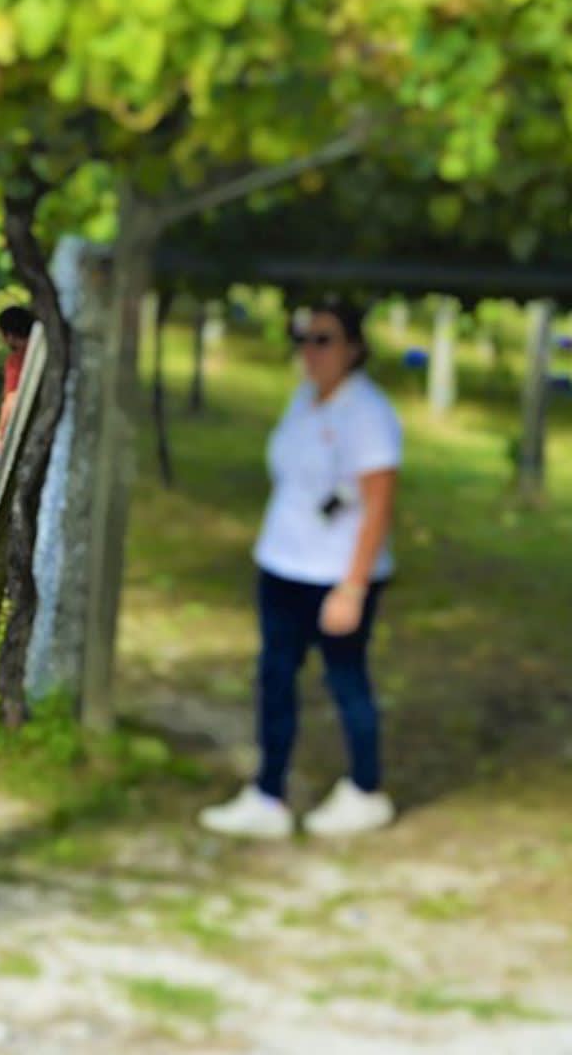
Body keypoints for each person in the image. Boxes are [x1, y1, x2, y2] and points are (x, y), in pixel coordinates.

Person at [200, 301, 401, 840]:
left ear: (353, 348)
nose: (311, 351)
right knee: (275, 678)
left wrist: (352, 587)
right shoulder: (303, 399)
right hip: (284, 565)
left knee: (346, 679)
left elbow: (379, 504)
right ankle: (268, 794)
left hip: (335, 576)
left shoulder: (368, 412)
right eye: (305, 339)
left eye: (324, 340)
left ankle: (365, 790)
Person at [0, 305, 35, 453]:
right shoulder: (44, 353)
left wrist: (0, 437)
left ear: (9, 334)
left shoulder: (16, 361)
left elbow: (12, 398)